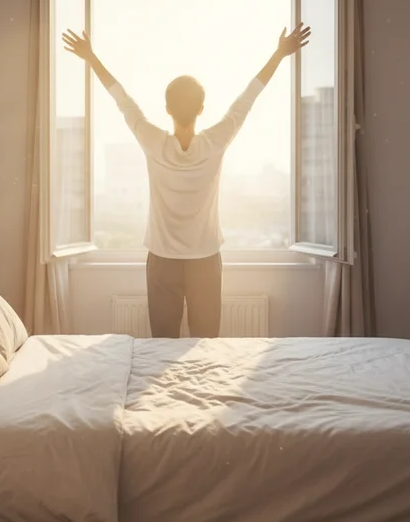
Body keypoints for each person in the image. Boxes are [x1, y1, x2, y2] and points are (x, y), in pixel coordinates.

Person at [62, 23, 311, 338]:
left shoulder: (153, 141)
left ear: (166, 109)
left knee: (162, 345)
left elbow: (122, 99)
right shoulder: (214, 142)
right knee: (206, 344)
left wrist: (90, 57)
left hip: (162, 261)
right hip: (205, 261)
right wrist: (279, 54)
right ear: (202, 109)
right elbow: (248, 98)